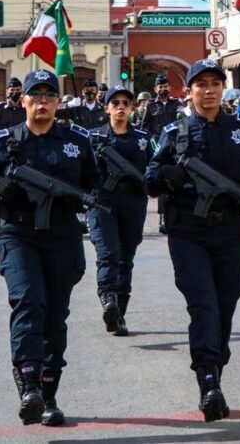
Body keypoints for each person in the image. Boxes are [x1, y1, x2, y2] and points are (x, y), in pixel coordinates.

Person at [144, 59, 240, 422]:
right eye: (202, 84)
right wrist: (168, 177)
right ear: (190, 91)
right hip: (188, 233)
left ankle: (216, 369)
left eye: (216, 83)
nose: (209, 90)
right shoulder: (175, 132)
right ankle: (208, 379)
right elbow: (150, 177)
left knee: (226, 305)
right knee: (204, 305)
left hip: (230, 231)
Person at [0, 69, 98, 426]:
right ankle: (28, 383)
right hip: (18, 233)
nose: (42, 102)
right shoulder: (4, 141)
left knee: (55, 316)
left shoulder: (77, 141)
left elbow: (95, 184)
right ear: (23, 100)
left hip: (61, 235)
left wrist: (83, 200)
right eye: (35, 96)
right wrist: (1, 185)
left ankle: (48, 393)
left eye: (49, 96)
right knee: (29, 302)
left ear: (58, 102)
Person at [88, 85, 152, 337]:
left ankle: (119, 313)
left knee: (126, 258)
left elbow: (154, 168)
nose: (121, 107)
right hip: (102, 202)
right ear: (106, 108)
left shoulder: (143, 139)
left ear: (133, 108)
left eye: (126, 102)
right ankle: (108, 300)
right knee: (108, 254)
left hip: (133, 203)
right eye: (115, 103)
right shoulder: (93, 138)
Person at [139, 74, 184, 234]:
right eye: (160, 87)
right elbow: (144, 128)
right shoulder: (151, 106)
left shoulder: (176, 104)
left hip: (174, 146)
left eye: (165, 87)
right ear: (155, 89)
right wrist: (150, 142)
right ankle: (163, 215)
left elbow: (182, 117)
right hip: (157, 146)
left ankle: (177, 213)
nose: (163, 89)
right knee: (161, 180)